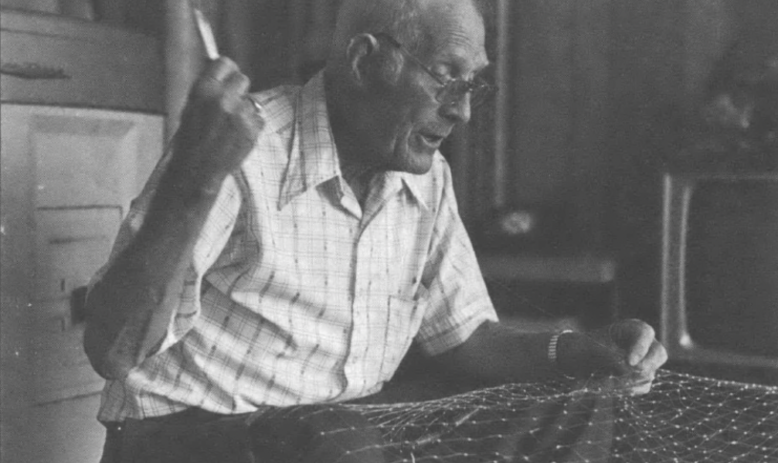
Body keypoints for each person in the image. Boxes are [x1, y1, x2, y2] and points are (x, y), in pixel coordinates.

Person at [84, 0, 668, 461]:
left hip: (350, 435)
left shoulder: (426, 177)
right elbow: (111, 349)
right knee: (337, 437)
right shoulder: (236, 152)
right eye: (446, 78)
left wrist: (574, 351)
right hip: (187, 440)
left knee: (579, 402)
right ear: (365, 62)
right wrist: (196, 179)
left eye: (475, 85)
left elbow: (463, 338)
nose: (462, 111)